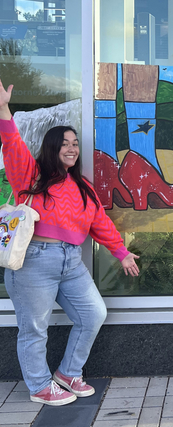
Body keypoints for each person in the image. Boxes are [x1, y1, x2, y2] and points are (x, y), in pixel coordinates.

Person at [0, 79, 140, 406]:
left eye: (75, 143)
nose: (72, 148)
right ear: (52, 147)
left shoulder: (83, 187)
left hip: (71, 262)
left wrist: (121, 252)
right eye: (65, 143)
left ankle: (66, 374)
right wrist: (4, 110)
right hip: (35, 261)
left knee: (93, 314)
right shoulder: (30, 177)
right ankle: (38, 387)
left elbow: (99, 223)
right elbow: (13, 144)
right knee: (34, 329)